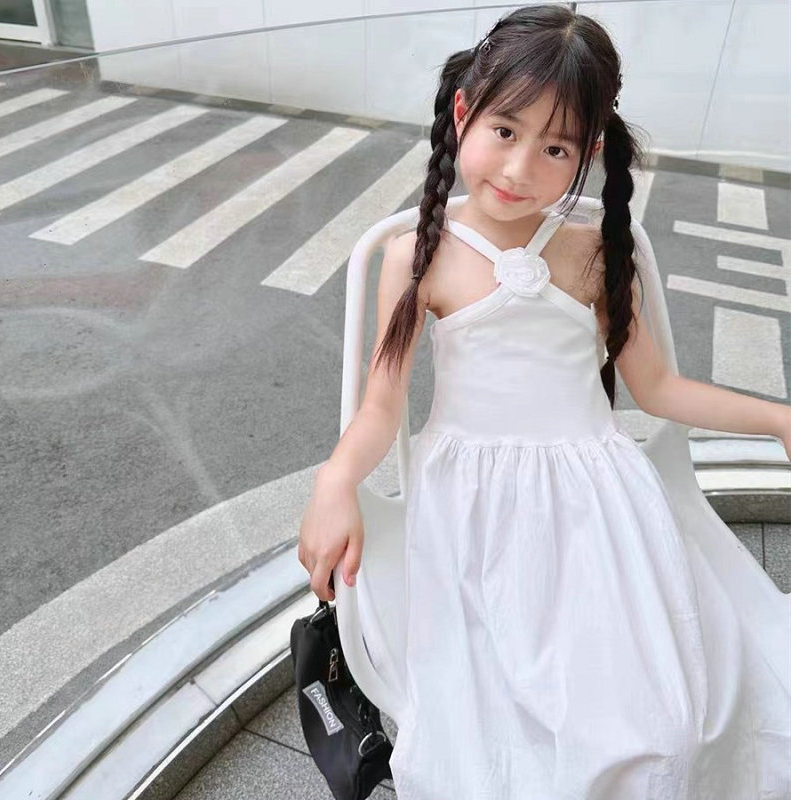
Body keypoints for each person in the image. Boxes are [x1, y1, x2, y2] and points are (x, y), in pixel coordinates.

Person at [298, 5, 791, 798]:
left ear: (588, 153)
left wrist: (777, 418)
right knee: (495, 727)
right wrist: (334, 481)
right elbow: (381, 408)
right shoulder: (418, 255)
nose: (520, 168)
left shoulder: (595, 254)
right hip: (474, 510)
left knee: (657, 721)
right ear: (465, 111)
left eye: (555, 147)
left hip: (599, 504)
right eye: (505, 130)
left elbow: (658, 389)